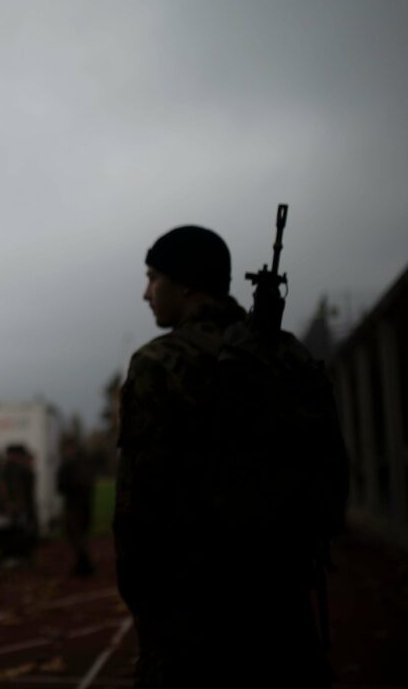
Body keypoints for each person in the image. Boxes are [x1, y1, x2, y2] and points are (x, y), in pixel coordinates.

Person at [113, 226, 347, 687]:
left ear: (183, 284)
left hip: (194, 621)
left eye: (153, 278)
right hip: (285, 609)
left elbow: (138, 508)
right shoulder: (285, 354)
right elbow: (332, 472)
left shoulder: (159, 362)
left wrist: (146, 609)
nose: (146, 293)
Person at [56, 438, 94, 576]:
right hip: (85, 505)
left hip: (73, 506)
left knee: (75, 536)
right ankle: (83, 564)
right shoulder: (85, 462)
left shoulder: (69, 465)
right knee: (81, 535)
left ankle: (83, 565)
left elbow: (61, 486)